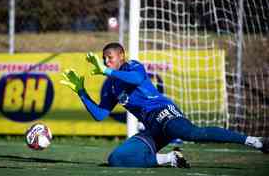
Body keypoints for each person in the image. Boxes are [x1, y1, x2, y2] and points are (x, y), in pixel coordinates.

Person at [60, 42, 269, 168]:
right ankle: (170, 158)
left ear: (121, 56)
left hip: (164, 114)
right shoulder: (111, 86)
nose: (106, 62)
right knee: (117, 158)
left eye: (110, 58)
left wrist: (107, 71)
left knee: (192, 134)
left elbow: (135, 79)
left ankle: (255, 141)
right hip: (152, 128)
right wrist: (81, 92)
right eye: (104, 60)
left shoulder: (132, 66)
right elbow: (100, 114)